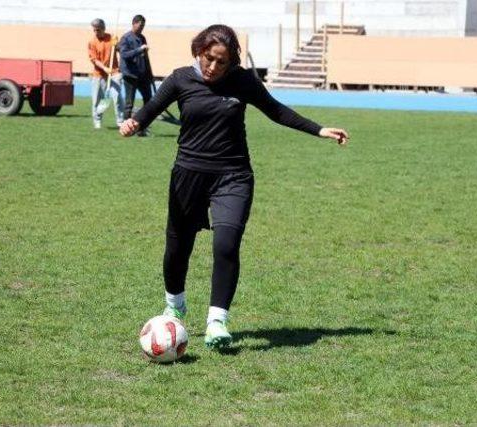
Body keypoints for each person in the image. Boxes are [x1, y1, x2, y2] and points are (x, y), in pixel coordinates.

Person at [119, 24, 349, 350]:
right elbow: (152, 108)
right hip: (188, 175)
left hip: (233, 176)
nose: (212, 67)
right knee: (177, 247)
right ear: (198, 51)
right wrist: (134, 122)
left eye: (221, 62)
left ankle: (217, 321)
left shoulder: (242, 82)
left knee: (226, 243)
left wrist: (319, 129)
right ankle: (175, 303)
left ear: (232, 62)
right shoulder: (180, 78)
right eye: (208, 58)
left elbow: (276, 110)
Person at [118, 15, 152, 136]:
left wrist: (149, 74)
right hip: (130, 75)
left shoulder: (142, 37)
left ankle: (142, 128)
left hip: (142, 76)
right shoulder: (126, 38)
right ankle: (127, 129)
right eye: (140, 25)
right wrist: (139, 49)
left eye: (143, 26)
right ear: (134, 23)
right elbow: (124, 55)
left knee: (149, 102)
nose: (142, 28)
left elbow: (145, 57)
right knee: (129, 104)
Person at [88, 18, 124, 129]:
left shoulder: (111, 38)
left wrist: (117, 45)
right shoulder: (92, 42)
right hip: (99, 74)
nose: (95, 32)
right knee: (97, 100)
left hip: (114, 72)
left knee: (117, 97)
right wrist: (104, 68)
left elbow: (121, 50)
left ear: (103, 29)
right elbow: (94, 60)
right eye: (94, 30)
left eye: (98, 30)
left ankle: (120, 121)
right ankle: (97, 120)